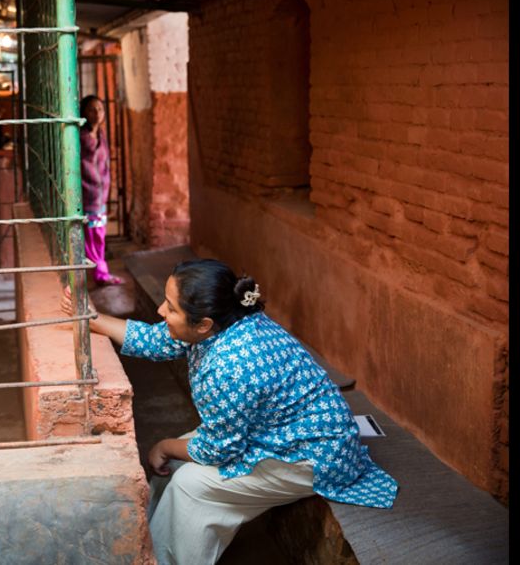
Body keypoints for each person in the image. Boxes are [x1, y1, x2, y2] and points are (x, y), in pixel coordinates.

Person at [61, 259, 397, 564]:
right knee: (179, 462)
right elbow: (155, 339)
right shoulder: (225, 323)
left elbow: (215, 450)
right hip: (280, 432)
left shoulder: (231, 367)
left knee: (189, 485)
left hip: (314, 455)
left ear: (203, 324)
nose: (161, 311)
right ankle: (153, 543)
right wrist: (94, 319)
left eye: (171, 308)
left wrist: (163, 445)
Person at [79, 95, 122, 285]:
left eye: (100, 109)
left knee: (99, 236)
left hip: (101, 197)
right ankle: (100, 273)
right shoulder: (80, 137)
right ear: (84, 112)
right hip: (87, 195)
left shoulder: (101, 135)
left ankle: (100, 272)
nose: (97, 114)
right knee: (91, 237)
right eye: (92, 110)